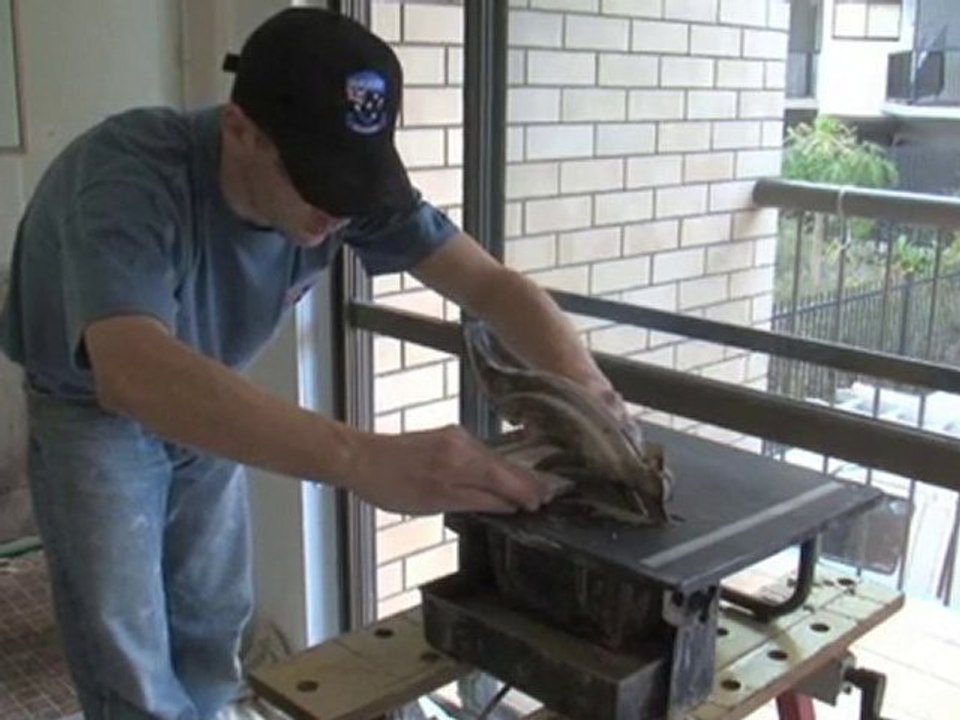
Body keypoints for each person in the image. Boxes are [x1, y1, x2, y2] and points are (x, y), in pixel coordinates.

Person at [0, 8, 624, 720]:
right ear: (240, 129)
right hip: (91, 405)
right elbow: (132, 369)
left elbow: (487, 284)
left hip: (203, 378)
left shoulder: (348, 189)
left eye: (352, 190)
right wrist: (362, 459)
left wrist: (588, 390)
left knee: (211, 616)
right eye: (315, 184)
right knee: (128, 648)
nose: (336, 214)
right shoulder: (126, 175)